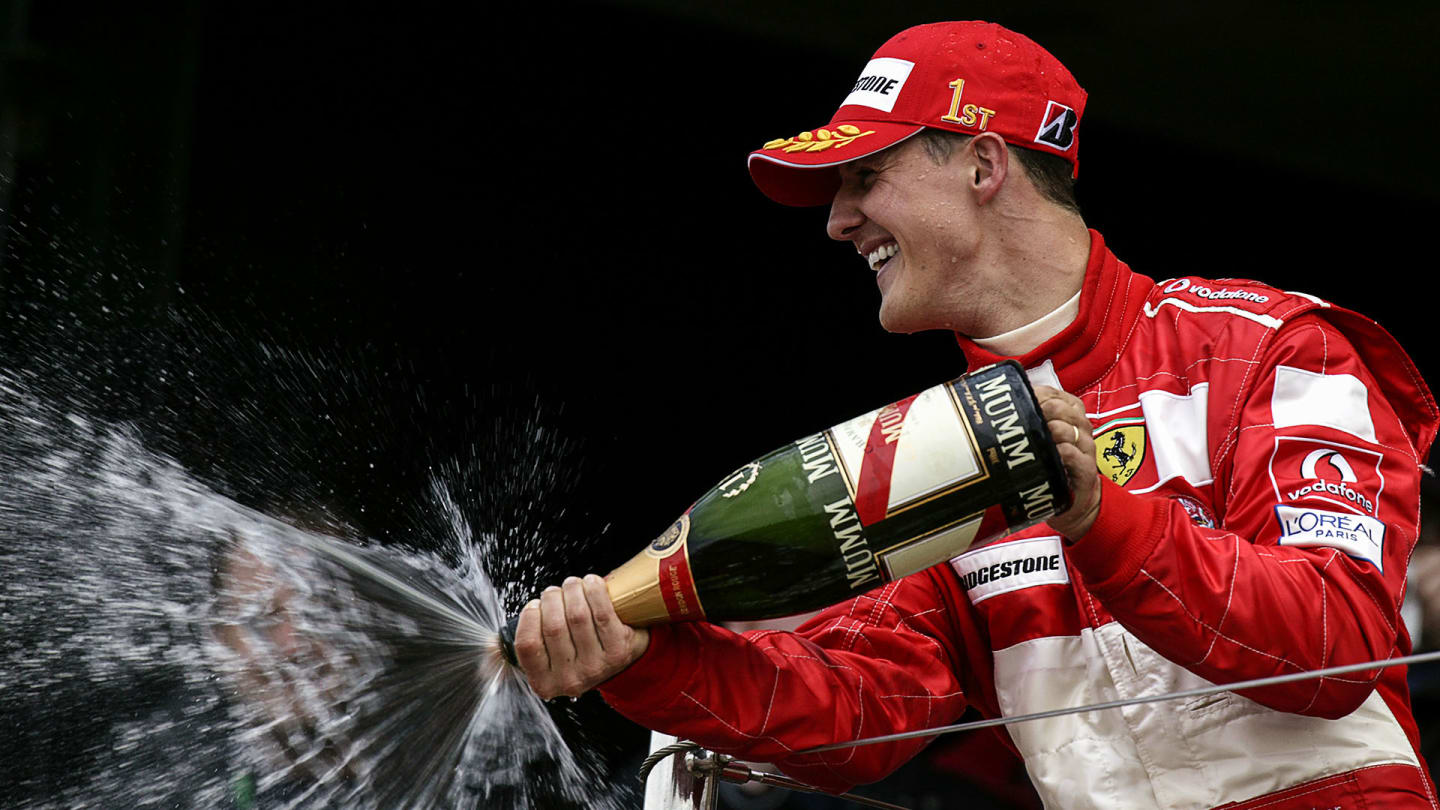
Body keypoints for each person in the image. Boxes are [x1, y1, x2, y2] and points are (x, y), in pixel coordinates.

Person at [513, 21, 1440, 808]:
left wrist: (1098, 517)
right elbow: (861, 710)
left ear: (984, 164)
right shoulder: (932, 446)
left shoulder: (1266, 345)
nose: (838, 221)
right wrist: (642, 662)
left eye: (863, 177)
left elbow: (1338, 644)